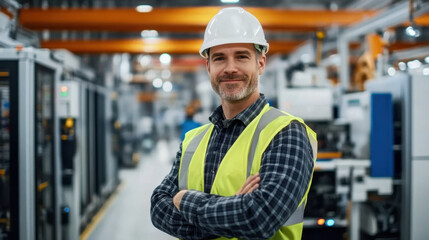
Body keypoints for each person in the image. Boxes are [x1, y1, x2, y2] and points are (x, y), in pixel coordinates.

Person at [151, 7, 317, 240]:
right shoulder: (193, 140)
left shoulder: (287, 133)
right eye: (219, 58)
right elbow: (158, 208)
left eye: (241, 56)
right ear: (208, 66)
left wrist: (185, 200)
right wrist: (233, 208)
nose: (230, 68)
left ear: (260, 63)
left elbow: (258, 219)